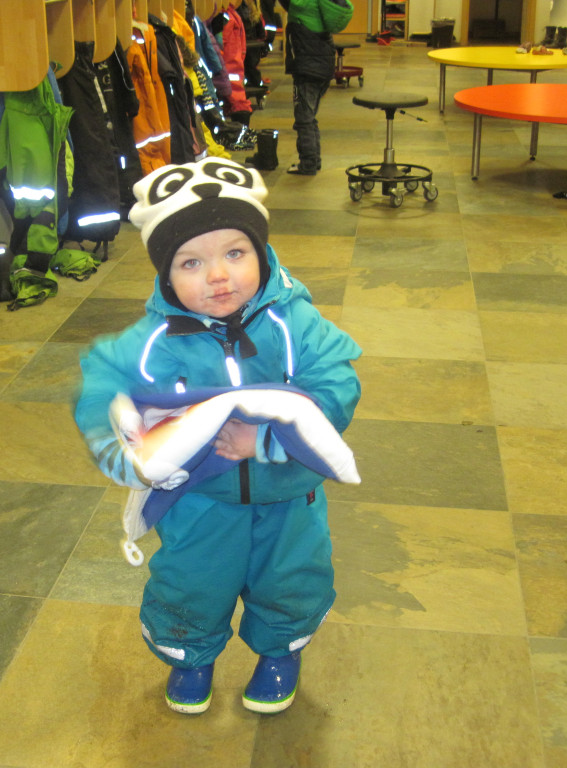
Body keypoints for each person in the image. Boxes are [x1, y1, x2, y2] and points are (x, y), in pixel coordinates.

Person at [73, 157, 362, 714]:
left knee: (290, 577)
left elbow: (336, 384)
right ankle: (190, 655)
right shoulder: (155, 340)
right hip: (201, 500)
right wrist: (124, 427)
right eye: (192, 262)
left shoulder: (294, 322)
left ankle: (280, 653)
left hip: (290, 494)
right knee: (191, 581)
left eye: (235, 253)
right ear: (166, 275)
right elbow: (106, 383)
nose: (218, 276)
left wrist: (268, 439)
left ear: (261, 252)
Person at [280, 0, 354, 175]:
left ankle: (308, 163)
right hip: (323, 64)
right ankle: (314, 160)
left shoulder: (301, 3)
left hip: (307, 67)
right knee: (310, 116)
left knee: (304, 118)